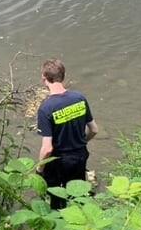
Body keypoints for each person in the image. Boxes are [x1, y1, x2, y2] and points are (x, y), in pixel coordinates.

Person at [36, 58, 98, 210]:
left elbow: (47, 149)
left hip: (58, 162)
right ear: (64, 76)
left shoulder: (46, 108)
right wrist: (80, 142)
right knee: (77, 197)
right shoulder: (79, 98)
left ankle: (57, 222)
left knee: (56, 200)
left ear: (44, 78)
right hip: (79, 157)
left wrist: (39, 169)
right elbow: (94, 130)